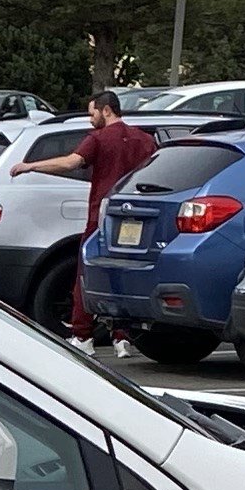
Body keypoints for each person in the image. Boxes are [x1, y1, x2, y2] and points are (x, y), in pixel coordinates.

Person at [60, 91, 165, 335]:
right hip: (137, 216)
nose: (90, 119)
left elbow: (70, 163)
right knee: (124, 274)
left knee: (86, 271)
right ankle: (123, 336)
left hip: (102, 216)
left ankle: (82, 332)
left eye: (92, 113)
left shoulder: (98, 139)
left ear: (105, 110)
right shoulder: (145, 140)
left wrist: (29, 166)